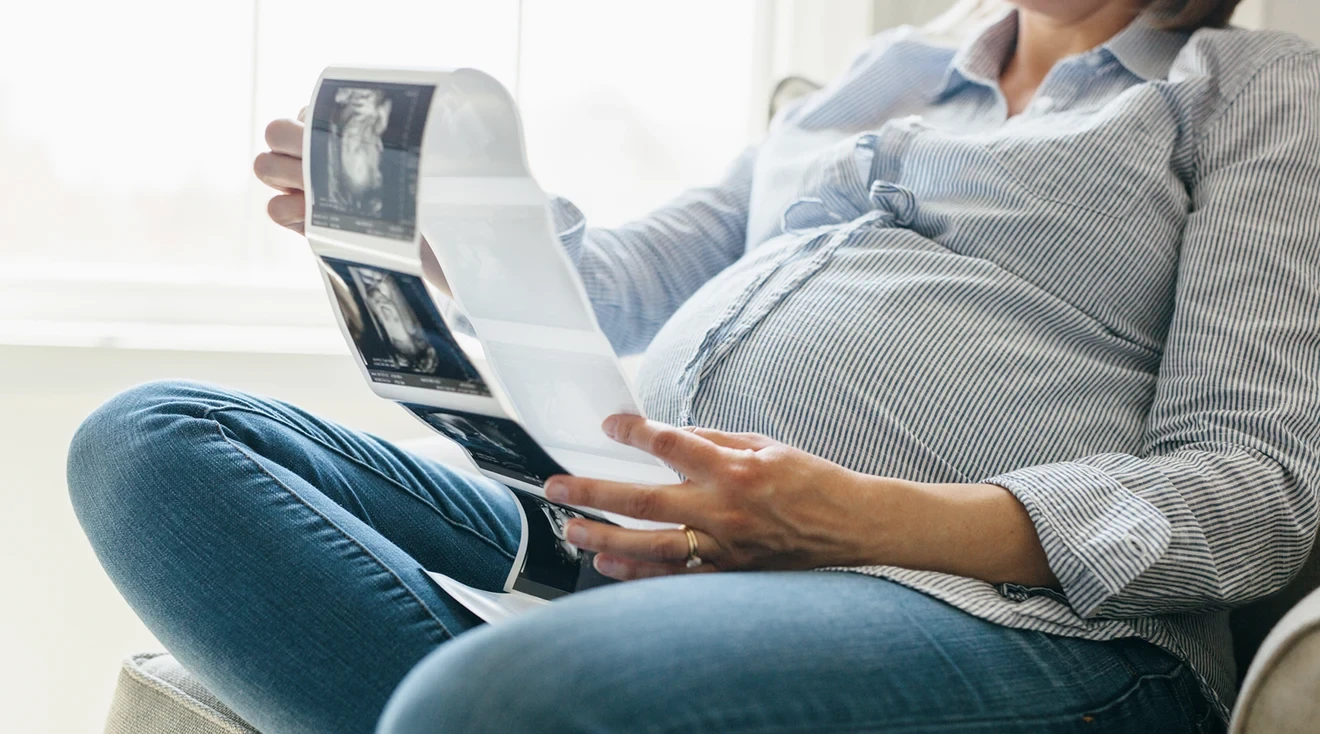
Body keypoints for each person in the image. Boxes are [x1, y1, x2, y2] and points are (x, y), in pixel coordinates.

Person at [67, 0, 1320, 731]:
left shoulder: (1259, 92)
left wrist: (853, 517)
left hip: (994, 611)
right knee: (154, 441)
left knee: (494, 698)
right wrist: (462, 234)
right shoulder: (881, 77)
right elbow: (617, 278)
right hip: (632, 535)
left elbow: (1255, 489)